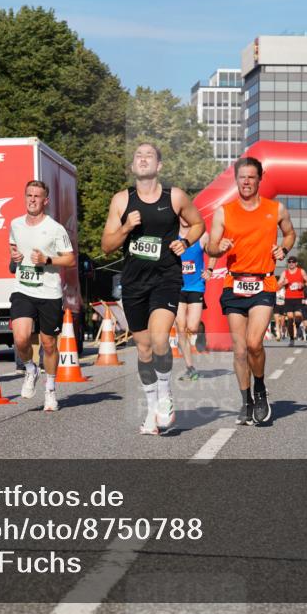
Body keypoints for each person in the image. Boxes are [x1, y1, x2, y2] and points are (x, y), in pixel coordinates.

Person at [100, 143, 204, 435]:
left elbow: (198, 224)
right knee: (143, 350)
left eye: (149, 155)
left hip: (166, 279)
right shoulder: (121, 201)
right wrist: (125, 228)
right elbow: (106, 247)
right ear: (133, 166)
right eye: (138, 155)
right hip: (133, 283)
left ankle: (166, 395)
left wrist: (184, 242)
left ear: (158, 166)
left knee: (160, 338)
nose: (142, 158)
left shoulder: (175, 196)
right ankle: (151, 408)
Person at [206, 156, 295, 426]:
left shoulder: (275, 209)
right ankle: (245, 402)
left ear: (260, 179)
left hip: (264, 283)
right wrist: (217, 249)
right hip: (234, 284)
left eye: (251, 177)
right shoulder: (225, 211)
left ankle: (260, 388)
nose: (246, 181)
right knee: (240, 349)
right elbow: (210, 246)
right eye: (242, 177)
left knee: (255, 343)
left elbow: (290, 234)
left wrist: (284, 248)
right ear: (236, 180)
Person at [8, 180, 76, 412]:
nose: (33, 200)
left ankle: (50, 390)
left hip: (49, 292)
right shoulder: (15, 224)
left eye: (38, 196)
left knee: (48, 344)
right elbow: (13, 256)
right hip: (23, 289)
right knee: (21, 338)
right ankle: (30, 369)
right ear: (25, 197)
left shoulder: (56, 228)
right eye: (29, 195)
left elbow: (70, 259)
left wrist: (47, 260)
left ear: (45, 201)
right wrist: (14, 259)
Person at [176, 220, 216, 381]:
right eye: (182, 215)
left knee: (192, 327)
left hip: (196, 286)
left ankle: (200, 330)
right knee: (181, 326)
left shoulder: (202, 236)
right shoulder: (172, 236)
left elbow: (213, 252)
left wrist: (210, 269)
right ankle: (190, 367)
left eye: (188, 215)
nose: (186, 219)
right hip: (177, 286)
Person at [277, 257, 307, 347]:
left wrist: (303, 285)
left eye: (293, 262)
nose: (291, 263)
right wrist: (283, 283)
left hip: (298, 298)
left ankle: (297, 326)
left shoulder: (301, 271)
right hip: (288, 298)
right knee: (290, 319)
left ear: (296, 263)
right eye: (289, 262)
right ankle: (292, 339)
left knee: (298, 316)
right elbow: (277, 286)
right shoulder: (284, 273)